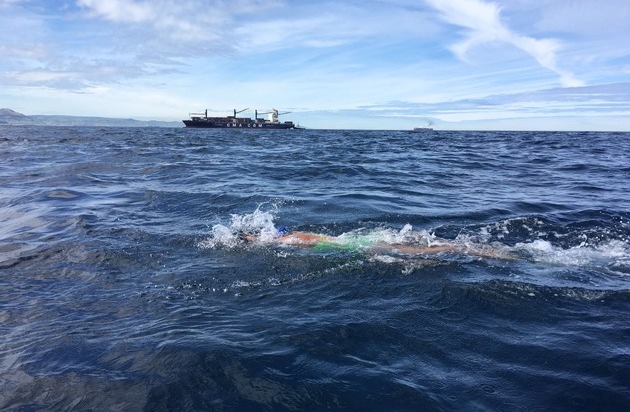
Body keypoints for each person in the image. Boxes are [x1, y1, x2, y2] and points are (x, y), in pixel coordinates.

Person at [243, 227, 516, 260]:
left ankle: (463, 248)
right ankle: (463, 246)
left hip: (359, 246)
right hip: (361, 238)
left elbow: (264, 241)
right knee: (413, 244)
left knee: (417, 251)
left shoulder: (294, 240)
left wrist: (251, 241)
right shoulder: (299, 233)